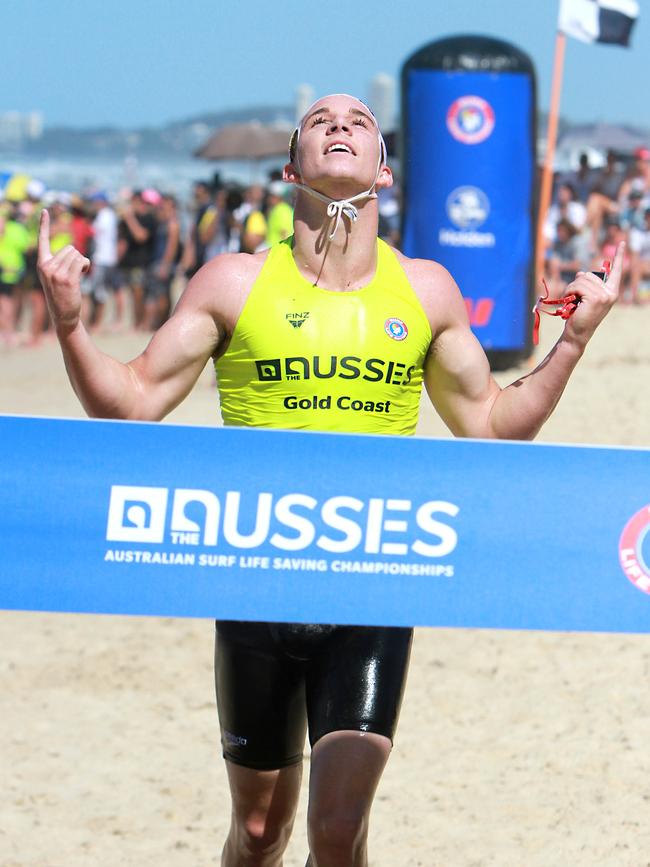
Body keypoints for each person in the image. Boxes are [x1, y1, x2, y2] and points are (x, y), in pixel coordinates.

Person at [37, 93, 623, 867]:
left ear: (383, 170)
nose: (339, 124)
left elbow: (492, 425)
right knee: (257, 835)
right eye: (320, 121)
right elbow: (131, 403)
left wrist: (572, 344)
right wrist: (72, 325)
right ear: (291, 167)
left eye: (357, 121)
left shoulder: (425, 290)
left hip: (372, 582)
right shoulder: (233, 282)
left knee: (337, 832)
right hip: (254, 578)